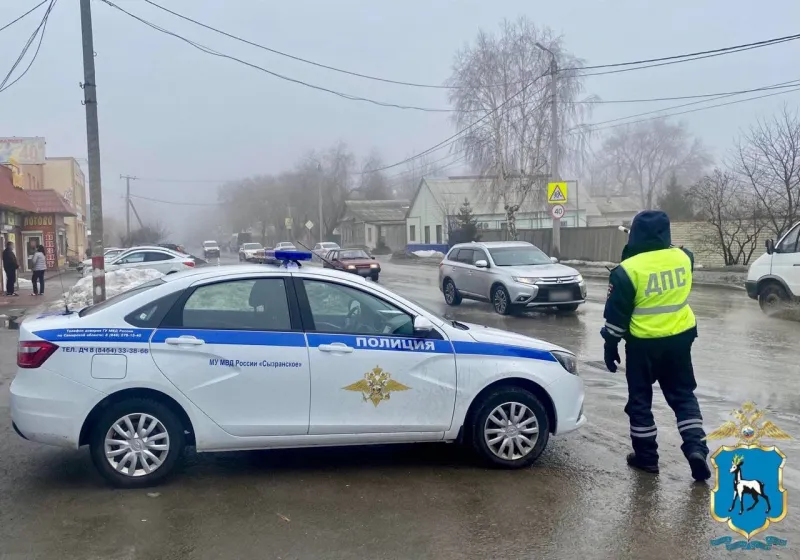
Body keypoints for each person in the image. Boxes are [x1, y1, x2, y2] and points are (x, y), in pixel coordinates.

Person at [601, 210, 711, 482]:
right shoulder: (685, 258)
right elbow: (673, 253)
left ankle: (647, 459)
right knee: (684, 397)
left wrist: (610, 344)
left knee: (640, 402)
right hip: (680, 339)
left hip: (643, 346)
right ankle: (696, 448)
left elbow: (617, 318)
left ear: (635, 234)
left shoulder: (627, 271)